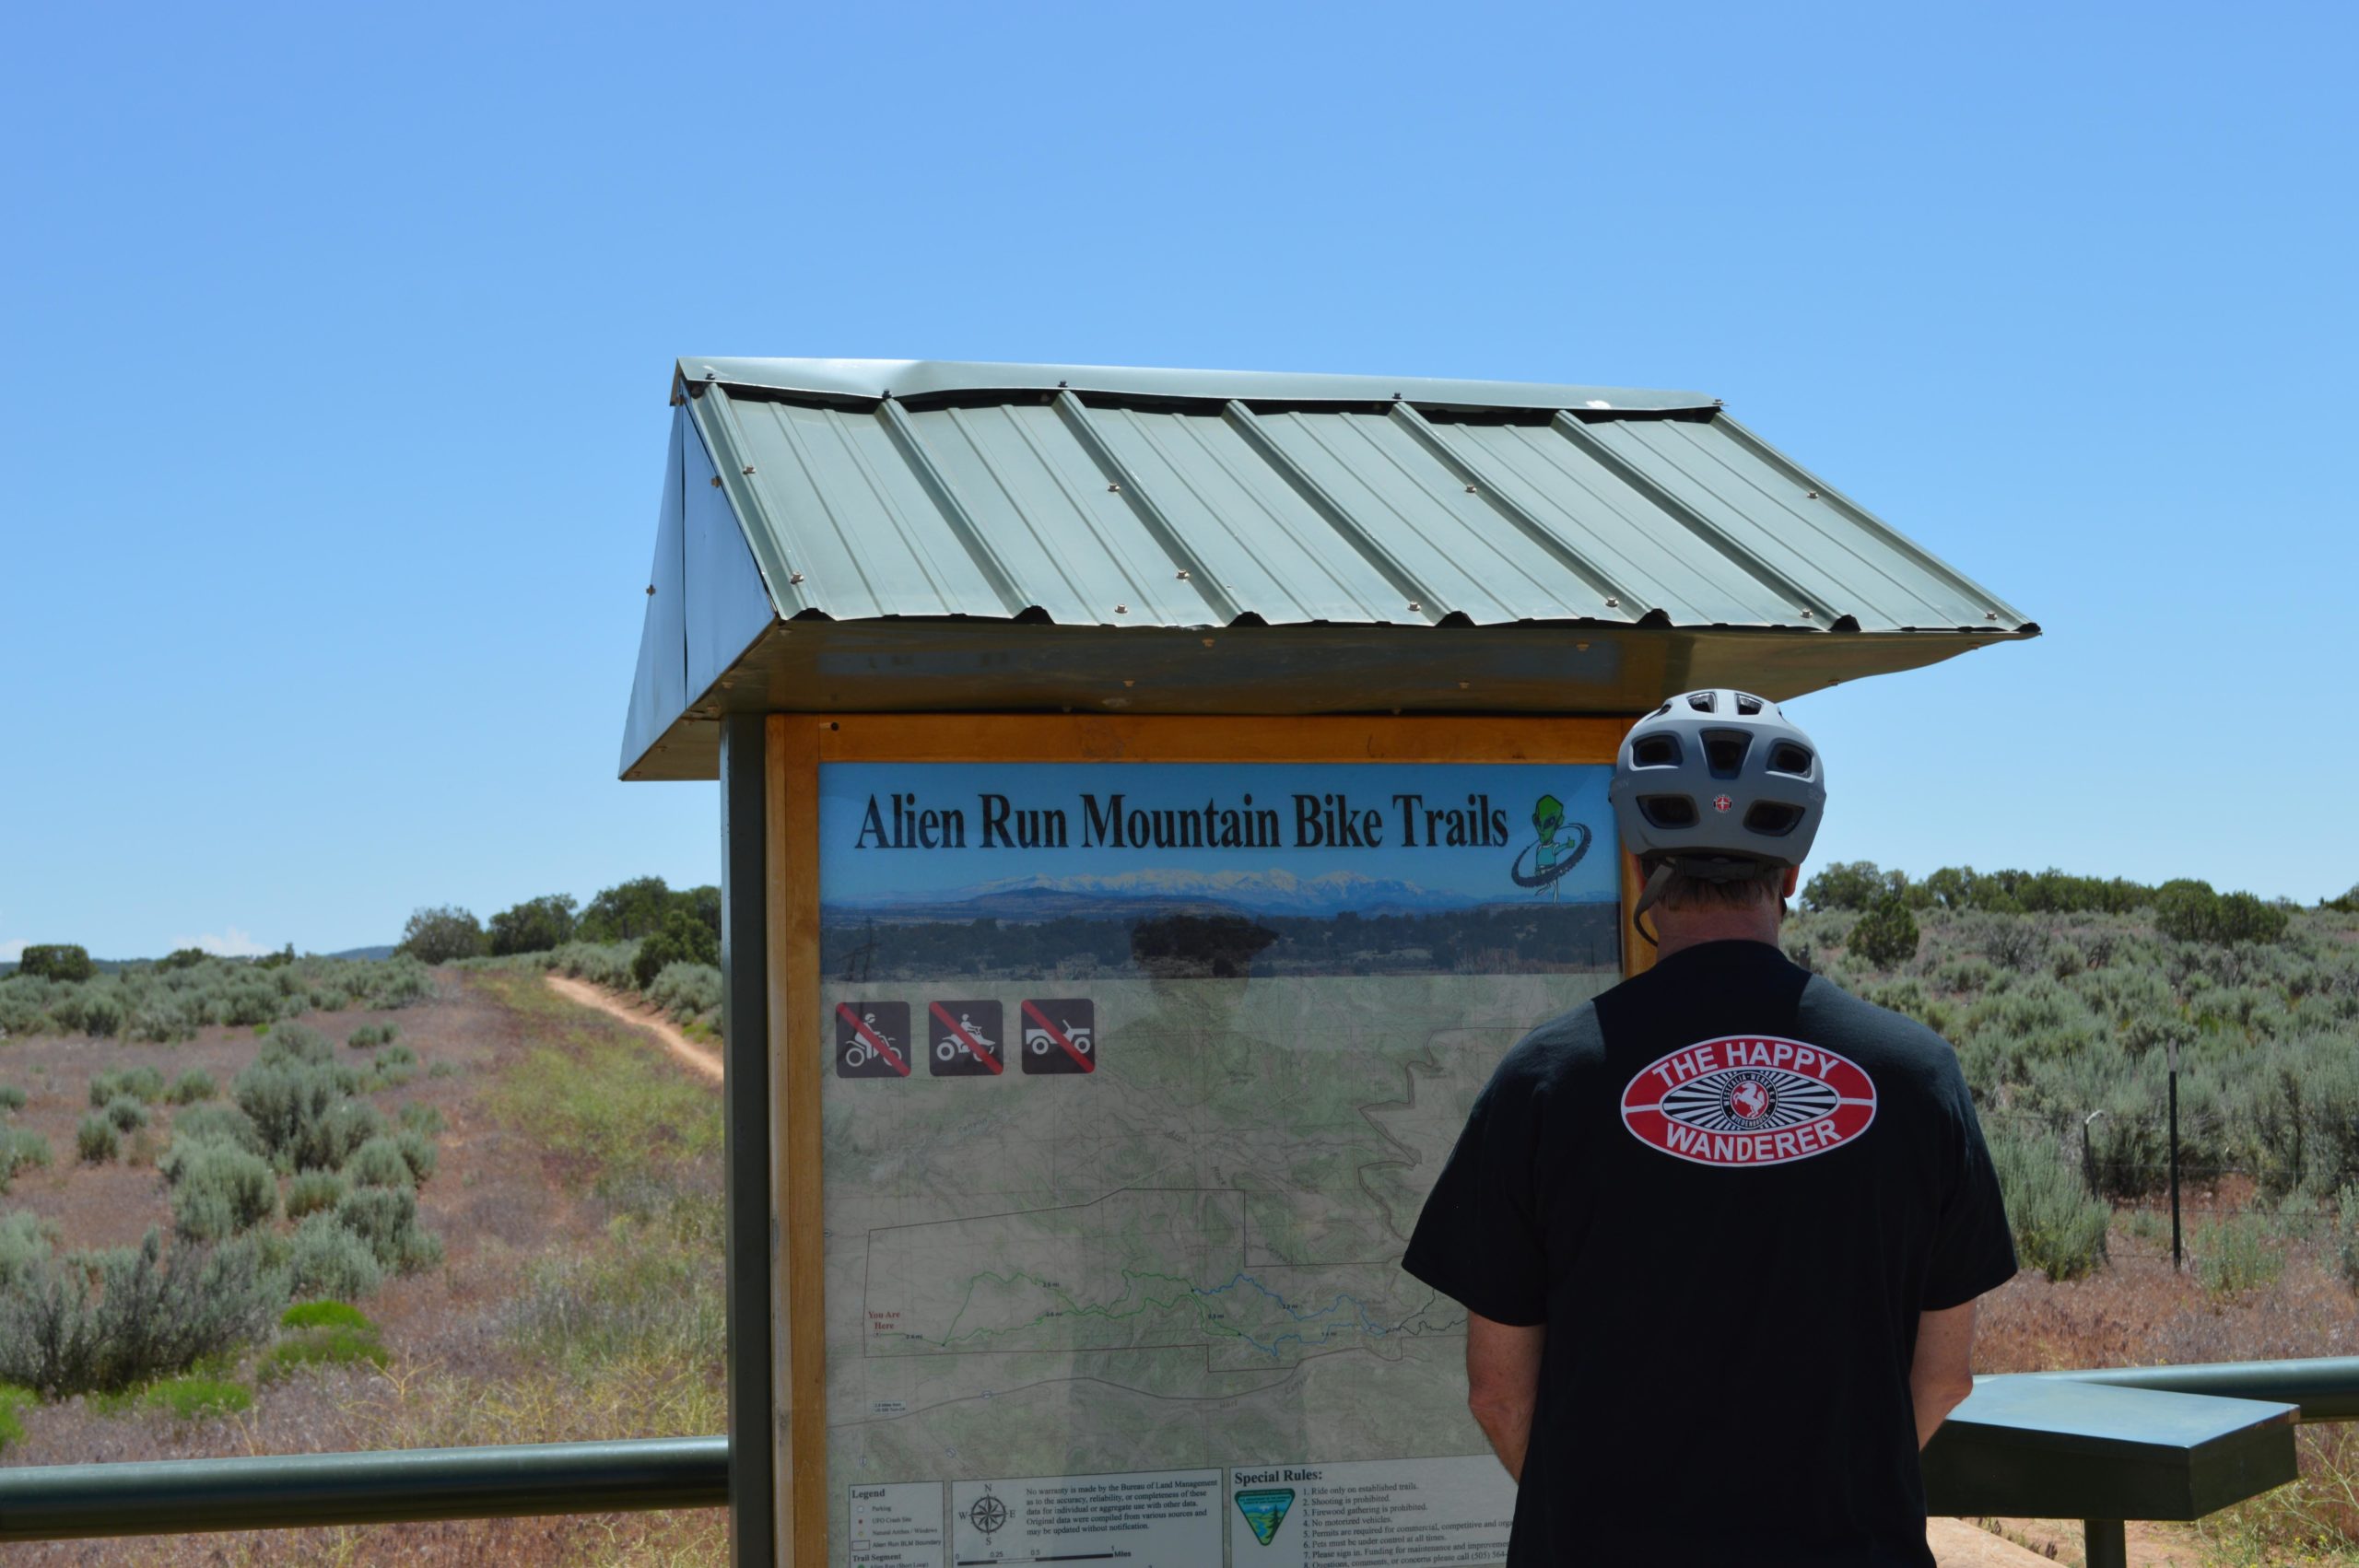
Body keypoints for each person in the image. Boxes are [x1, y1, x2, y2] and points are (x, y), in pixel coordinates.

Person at [1402, 690, 2016, 1567]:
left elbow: (1498, 1397)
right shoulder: (1918, 1076)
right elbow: (1946, 1377)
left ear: (1636, 852)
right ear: (1796, 869)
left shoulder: (1546, 1078)